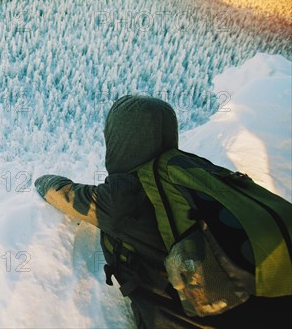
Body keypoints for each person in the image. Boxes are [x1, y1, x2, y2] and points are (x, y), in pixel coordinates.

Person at [34, 95, 291, 328]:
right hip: (271, 303)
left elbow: (66, 196)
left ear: (121, 139)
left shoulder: (125, 195)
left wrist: (41, 179)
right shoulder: (191, 169)